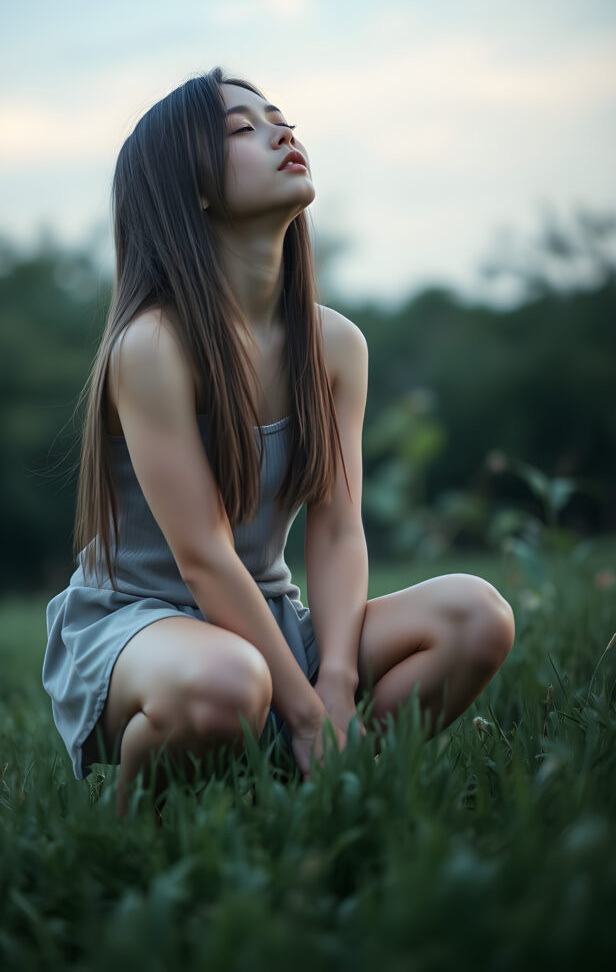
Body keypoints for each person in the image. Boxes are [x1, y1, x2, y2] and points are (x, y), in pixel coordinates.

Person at [42, 66, 516, 819]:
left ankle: (315, 787)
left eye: (279, 118)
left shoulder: (334, 345)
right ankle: (130, 827)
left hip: (266, 616)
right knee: (227, 683)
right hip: (142, 628)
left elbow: (336, 529)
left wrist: (334, 681)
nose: (281, 132)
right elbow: (202, 555)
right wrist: (301, 706)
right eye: (241, 129)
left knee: (477, 615)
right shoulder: (152, 346)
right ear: (190, 188)